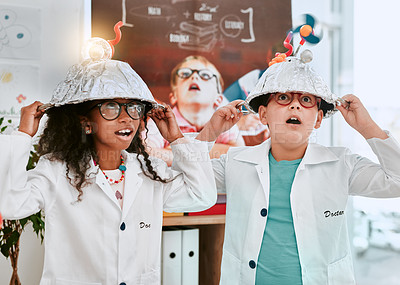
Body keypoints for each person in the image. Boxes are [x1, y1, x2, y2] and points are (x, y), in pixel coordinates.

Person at [0, 36, 216, 285]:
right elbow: (12, 204)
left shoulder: (151, 172)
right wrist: (23, 135)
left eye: (134, 108)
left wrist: (176, 138)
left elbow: (203, 196)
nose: (126, 118)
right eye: (111, 108)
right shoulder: (56, 171)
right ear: (86, 123)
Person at [195, 47, 400, 284]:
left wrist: (367, 127)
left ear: (319, 119)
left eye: (305, 100)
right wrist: (210, 132)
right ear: (262, 115)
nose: (295, 106)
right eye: (283, 98)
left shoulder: (342, 165)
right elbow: (189, 182)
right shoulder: (235, 163)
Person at [146, 55, 245, 166]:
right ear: (173, 96)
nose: (194, 77)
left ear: (218, 99)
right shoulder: (162, 120)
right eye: (185, 74)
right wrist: (213, 153)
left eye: (205, 75)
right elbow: (147, 155)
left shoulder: (224, 120)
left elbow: (238, 155)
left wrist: (177, 152)